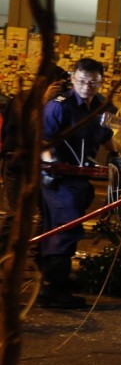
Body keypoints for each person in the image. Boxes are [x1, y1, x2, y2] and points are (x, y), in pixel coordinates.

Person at [38, 58, 121, 309]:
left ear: (100, 82)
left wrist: (114, 155)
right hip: (58, 176)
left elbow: (107, 134)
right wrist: (49, 165)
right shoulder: (59, 107)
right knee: (63, 228)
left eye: (93, 82)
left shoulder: (100, 107)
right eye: (82, 81)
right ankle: (53, 289)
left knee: (68, 226)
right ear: (72, 78)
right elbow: (43, 138)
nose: (87, 87)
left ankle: (57, 280)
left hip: (80, 177)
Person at [2, 64, 68, 248]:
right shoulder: (23, 99)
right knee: (16, 213)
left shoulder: (54, 105)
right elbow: (28, 129)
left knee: (46, 212)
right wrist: (46, 100)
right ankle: (4, 256)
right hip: (17, 161)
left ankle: (32, 257)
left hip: (39, 164)